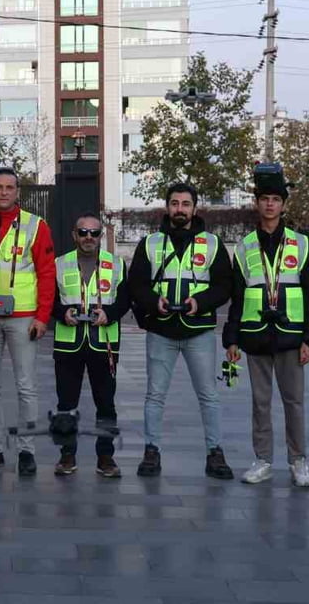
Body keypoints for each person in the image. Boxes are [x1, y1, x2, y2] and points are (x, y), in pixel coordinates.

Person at [126, 182, 234, 480]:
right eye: (175, 203)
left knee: (208, 395)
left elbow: (225, 285)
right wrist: (152, 301)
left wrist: (199, 302)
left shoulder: (212, 244)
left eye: (186, 204)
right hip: (161, 329)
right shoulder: (149, 243)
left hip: (198, 330)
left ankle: (215, 453)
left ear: (195, 208)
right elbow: (136, 283)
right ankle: (151, 451)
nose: (180, 209)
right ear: (167, 207)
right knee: (154, 395)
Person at [224, 167, 309, 488]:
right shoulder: (245, 246)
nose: (269, 205)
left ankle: (299, 462)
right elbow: (237, 296)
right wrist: (232, 338)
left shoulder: (301, 244)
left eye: (275, 199)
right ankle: (263, 460)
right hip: (255, 336)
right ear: (256, 202)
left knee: (294, 402)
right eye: (264, 199)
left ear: (283, 205)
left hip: (292, 336)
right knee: (260, 402)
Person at [0, 167, 56, 477]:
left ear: (18, 192)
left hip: (23, 317)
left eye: (10, 187)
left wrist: (43, 316)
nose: (4, 192)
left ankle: (26, 451)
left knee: (26, 386)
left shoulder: (35, 225)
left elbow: (47, 273)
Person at [51, 213, 130, 478]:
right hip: (68, 343)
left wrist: (111, 313)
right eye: (83, 232)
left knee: (106, 403)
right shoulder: (59, 264)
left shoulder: (116, 264)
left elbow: (126, 299)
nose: (88, 238)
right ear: (74, 235)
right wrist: (63, 313)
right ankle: (66, 456)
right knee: (66, 404)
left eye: (94, 233)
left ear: (100, 237)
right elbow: (49, 300)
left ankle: (106, 457)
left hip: (103, 343)